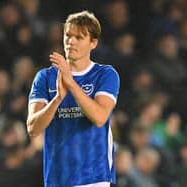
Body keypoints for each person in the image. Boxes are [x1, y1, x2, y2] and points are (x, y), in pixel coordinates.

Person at [26, 11, 120, 187]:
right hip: (57, 178)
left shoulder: (105, 74)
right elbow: (33, 127)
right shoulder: (45, 77)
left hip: (94, 177)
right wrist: (57, 99)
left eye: (79, 37)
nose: (71, 41)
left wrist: (71, 84)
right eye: (68, 35)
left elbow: (100, 118)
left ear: (93, 43)